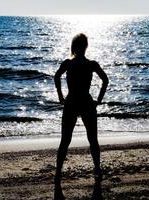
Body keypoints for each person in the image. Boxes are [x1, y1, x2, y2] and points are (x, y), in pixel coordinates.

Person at [54, 33, 109, 199]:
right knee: (92, 139)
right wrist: (98, 100)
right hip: (86, 102)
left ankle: (58, 174)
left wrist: (60, 95)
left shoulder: (68, 63)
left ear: (74, 46)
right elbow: (105, 80)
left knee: (66, 140)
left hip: (71, 102)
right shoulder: (91, 64)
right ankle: (97, 169)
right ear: (85, 46)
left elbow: (56, 77)